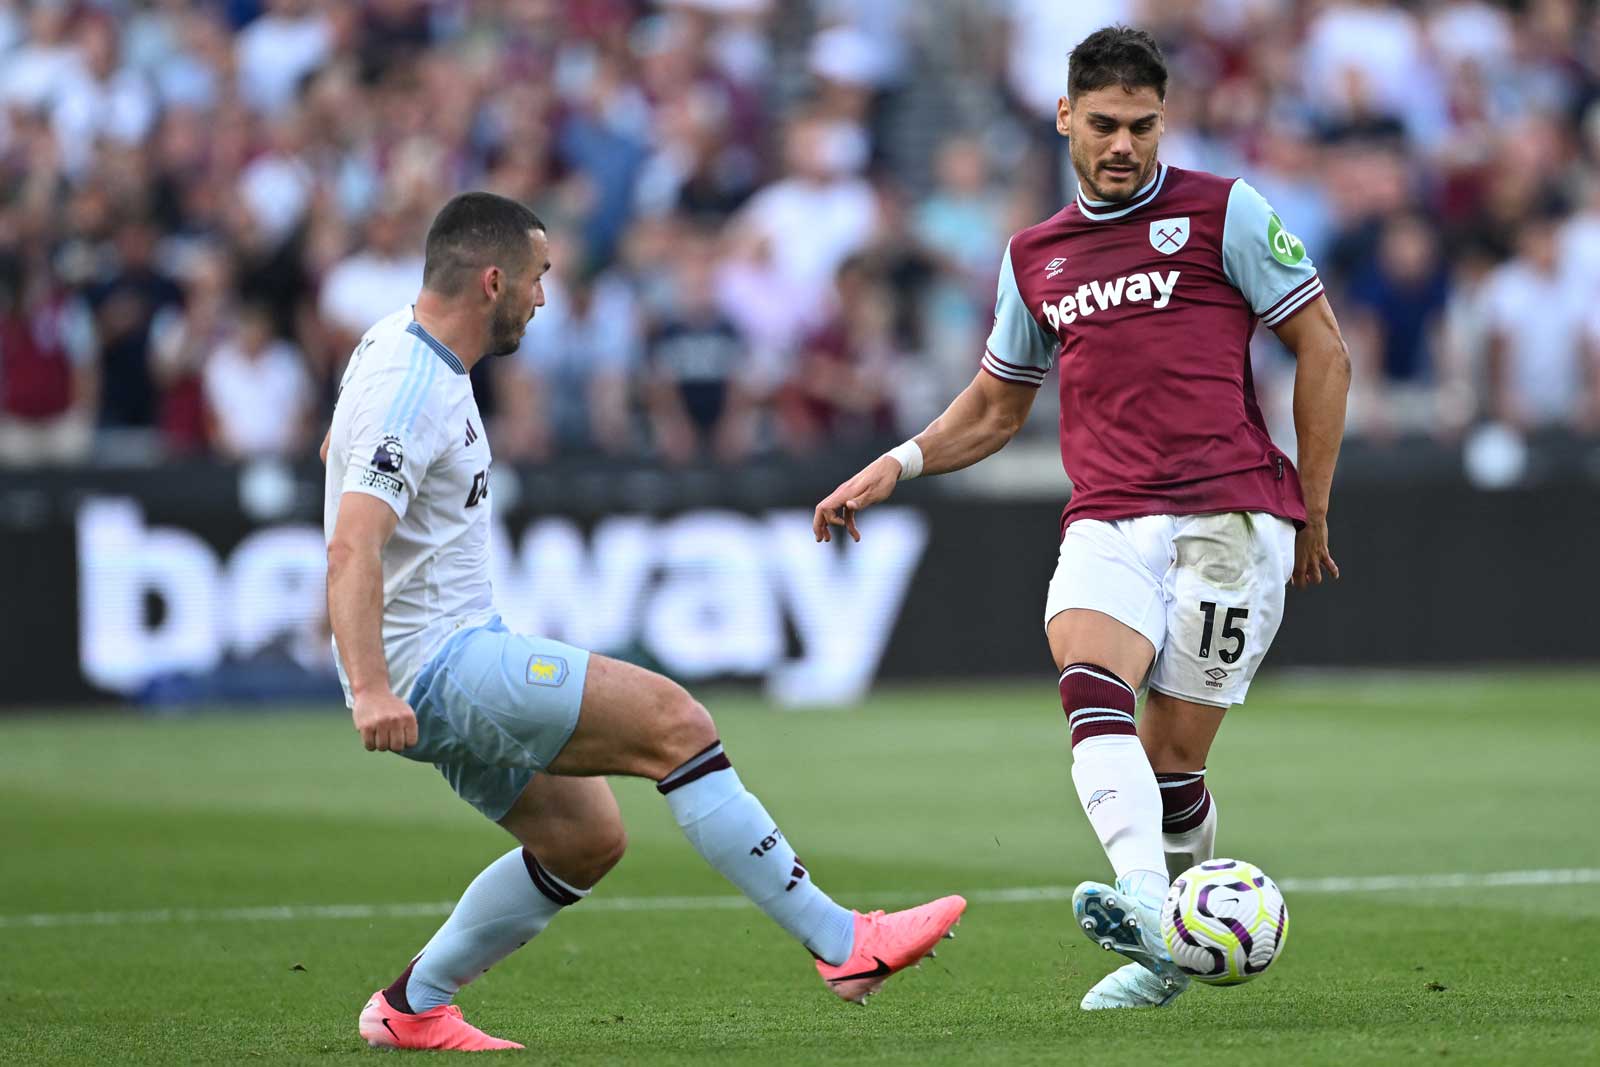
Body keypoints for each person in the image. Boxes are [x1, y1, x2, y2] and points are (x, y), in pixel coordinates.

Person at [322, 191, 964, 1052]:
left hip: (439, 654)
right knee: (676, 721)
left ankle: (410, 1005)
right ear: (491, 281)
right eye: (537, 279)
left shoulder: (396, 344)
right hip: (437, 665)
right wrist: (369, 688)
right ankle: (844, 942)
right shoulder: (412, 385)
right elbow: (352, 547)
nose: (544, 298)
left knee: (584, 838)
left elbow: (340, 452)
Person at [813, 27, 1350, 1012]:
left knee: (1173, 760)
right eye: (1103, 124)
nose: (1123, 145)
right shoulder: (1034, 256)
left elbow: (1323, 350)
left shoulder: (1223, 212)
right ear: (1064, 117)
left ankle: (1163, 959)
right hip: (1107, 513)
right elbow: (993, 405)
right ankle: (1149, 898)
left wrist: (1310, 503)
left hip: (1230, 514)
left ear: (1162, 122)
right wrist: (893, 465)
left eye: (1142, 126)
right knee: (1086, 672)